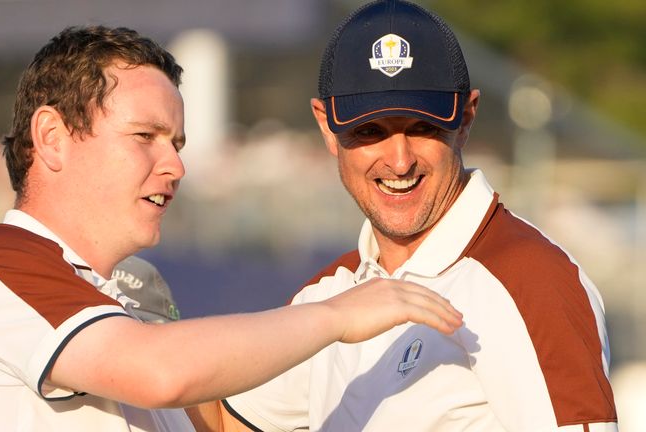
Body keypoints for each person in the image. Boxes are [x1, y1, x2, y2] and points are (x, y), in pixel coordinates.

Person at [0, 25, 464, 432]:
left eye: (175, 144)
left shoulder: (136, 292)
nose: (175, 166)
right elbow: (160, 372)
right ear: (53, 137)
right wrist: (340, 316)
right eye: (145, 136)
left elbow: (217, 418)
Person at [209, 1, 619, 431]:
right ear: (327, 127)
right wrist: (133, 324)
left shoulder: (531, 279)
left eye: (423, 128)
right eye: (370, 131)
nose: (400, 161)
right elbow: (221, 422)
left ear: (466, 118)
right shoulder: (334, 291)